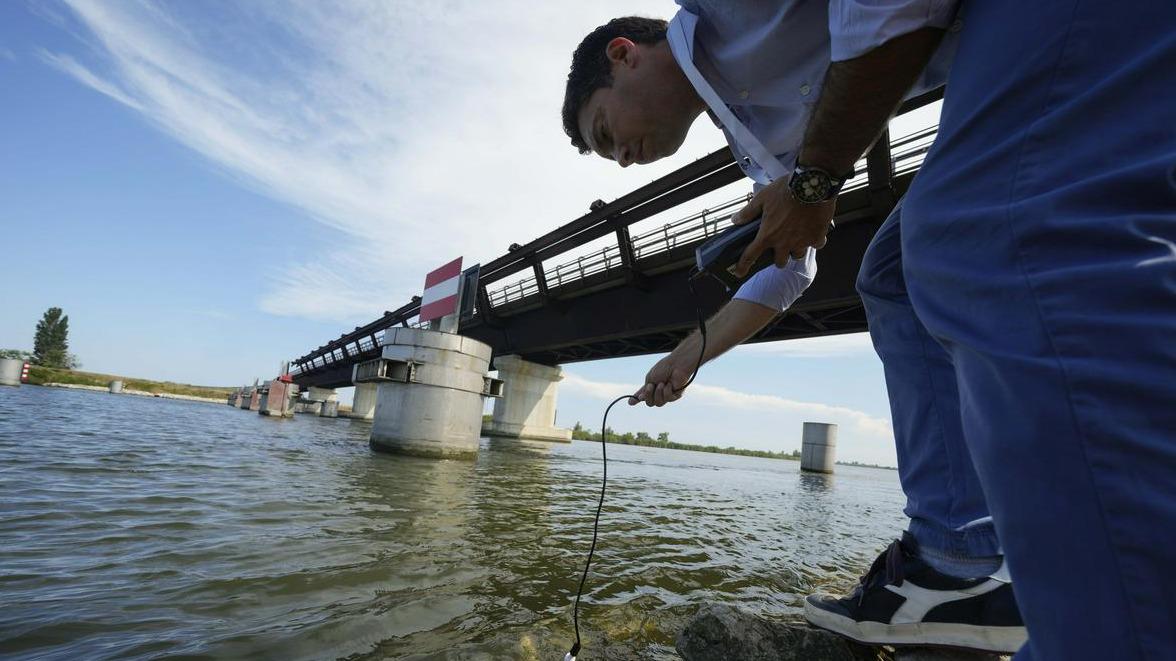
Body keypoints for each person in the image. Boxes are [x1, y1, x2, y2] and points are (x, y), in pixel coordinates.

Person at [561, 2, 1176, 659]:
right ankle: (957, 559)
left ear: (623, 55)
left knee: (987, 225)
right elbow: (791, 265)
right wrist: (690, 354)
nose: (621, 158)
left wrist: (818, 174)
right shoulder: (750, 140)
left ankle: (1124, 620)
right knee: (894, 274)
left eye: (605, 131)